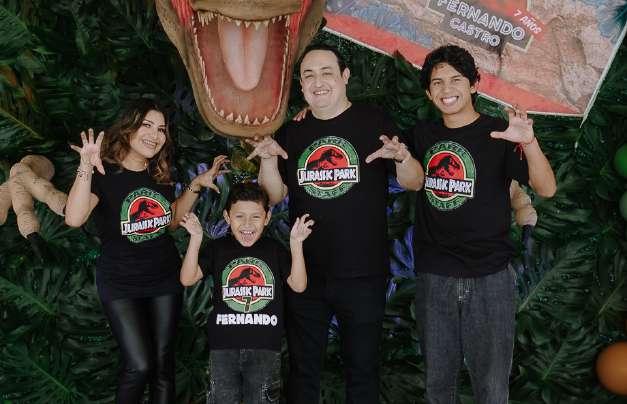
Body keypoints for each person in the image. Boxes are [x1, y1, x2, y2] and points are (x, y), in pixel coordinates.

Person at [247, 43, 423, 404]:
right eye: (309, 75)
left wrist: (403, 157)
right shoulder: (293, 131)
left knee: (363, 371)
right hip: (306, 272)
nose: (318, 82)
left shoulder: (374, 122)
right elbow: (275, 195)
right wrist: (267, 160)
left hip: (363, 274)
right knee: (302, 372)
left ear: (345, 77)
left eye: (327, 72)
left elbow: (415, 182)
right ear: (301, 85)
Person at [410, 44, 556, 404]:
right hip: (435, 275)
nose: (447, 89)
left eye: (456, 79)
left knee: (491, 389)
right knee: (437, 387)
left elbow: (546, 188)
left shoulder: (499, 133)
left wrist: (529, 142)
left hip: (490, 277)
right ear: (428, 92)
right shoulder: (421, 135)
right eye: (437, 82)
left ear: (474, 84)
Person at [65, 98, 226, 404]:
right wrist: (85, 165)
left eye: (162, 129)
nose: (155, 135)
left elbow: (171, 221)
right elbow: (74, 218)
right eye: (147, 125)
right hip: (120, 283)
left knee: (164, 367)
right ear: (128, 129)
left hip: (164, 279)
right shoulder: (102, 173)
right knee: (139, 366)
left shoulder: (158, 173)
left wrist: (196, 184)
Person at [178, 182, 314, 404]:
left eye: (256, 217)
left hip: (265, 348)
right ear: (227, 217)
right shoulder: (218, 248)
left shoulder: (274, 250)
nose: (247, 224)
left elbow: (299, 285)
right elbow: (187, 278)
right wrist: (195, 239)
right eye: (239, 216)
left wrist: (296, 244)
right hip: (223, 347)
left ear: (267, 218)